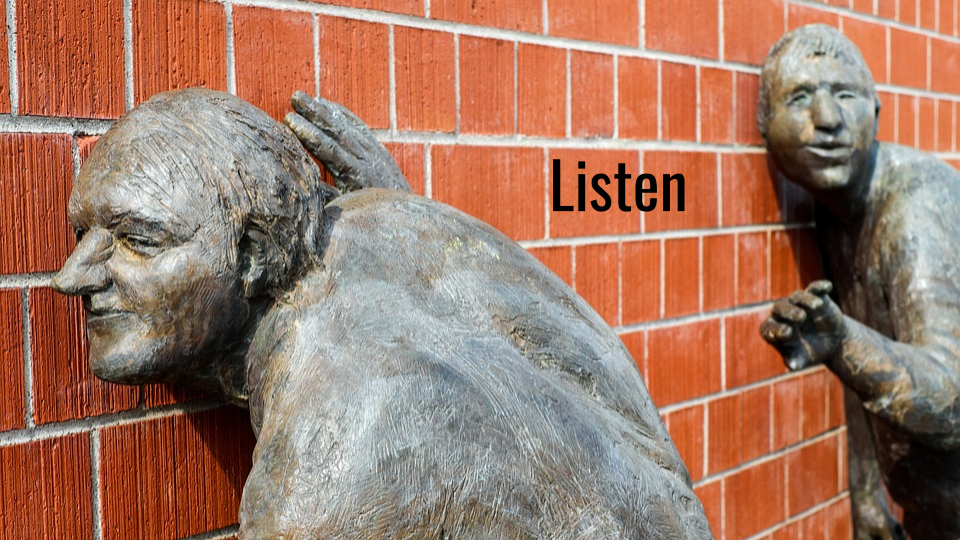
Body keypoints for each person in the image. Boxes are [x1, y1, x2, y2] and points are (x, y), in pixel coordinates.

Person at [53, 88, 713, 539]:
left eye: (139, 240)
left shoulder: (315, 489)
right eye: (82, 231)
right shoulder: (398, 221)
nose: (71, 277)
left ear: (254, 256)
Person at [758, 24, 960, 540]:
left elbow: (951, 398)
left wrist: (843, 342)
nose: (827, 120)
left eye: (845, 95)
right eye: (800, 97)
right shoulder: (836, 212)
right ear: (764, 123)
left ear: (876, 110)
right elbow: (862, 346)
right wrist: (866, 487)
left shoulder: (912, 208)